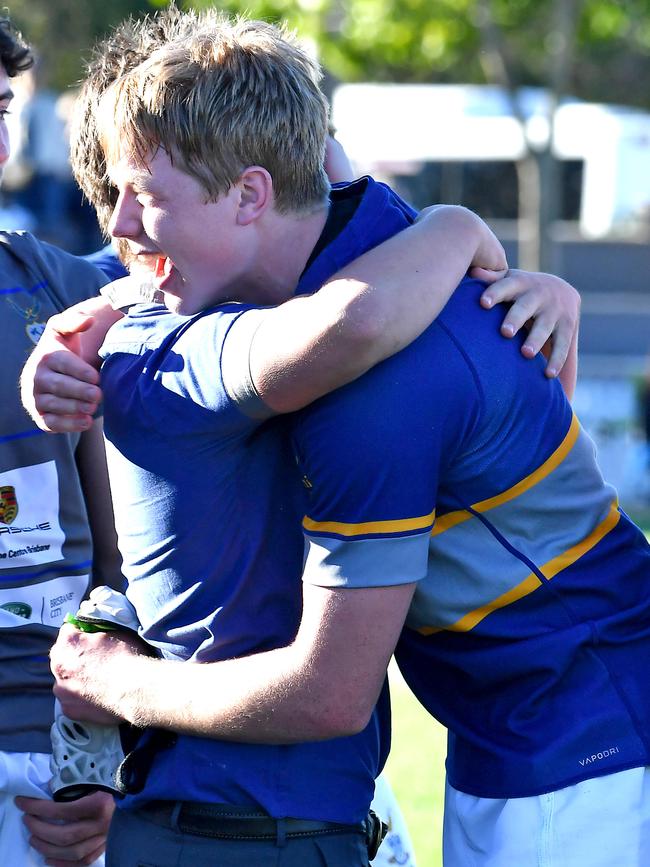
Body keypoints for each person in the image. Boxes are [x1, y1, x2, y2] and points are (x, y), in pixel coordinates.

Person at [22, 10, 582, 866]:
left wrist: (517, 285)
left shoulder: (178, 313)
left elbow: (334, 209)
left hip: (289, 815)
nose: (123, 230)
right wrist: (458, 228)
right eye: (121, 199)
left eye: (149, 195)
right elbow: (351, 319)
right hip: (236, 827)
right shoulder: (167, 343)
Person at [0, 13, 118, 867]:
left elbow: (123, 566)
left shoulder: (59, 286)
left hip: (50, 760)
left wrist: (101, 764)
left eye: (1, 101)